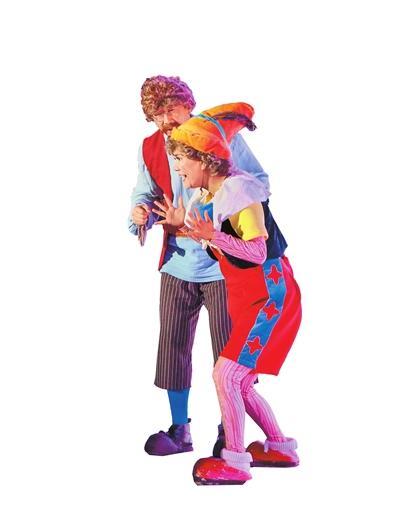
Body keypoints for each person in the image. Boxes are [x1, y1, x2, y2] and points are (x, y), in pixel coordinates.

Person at [128, 77, 268, 456]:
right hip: (177, 264)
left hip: (223, 266)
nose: (164, 121)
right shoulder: (150, 147)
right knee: (173, 349)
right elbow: (146, 191)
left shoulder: (218, 135)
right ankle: (180, 430)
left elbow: (257, 182)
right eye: (156, 115)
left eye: (170, 110)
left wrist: (213, 216)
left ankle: (229, 432)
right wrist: (141, 211)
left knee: (230, 356)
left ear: (187, 105)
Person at [165, 102, 302, 485]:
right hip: (249, 296)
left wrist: (213, 235)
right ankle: (279, 447)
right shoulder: (210, 198)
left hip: (270, 294)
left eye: (182, 159)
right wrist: (184, 227)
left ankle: (235, 461)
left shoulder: (242, 193)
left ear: (205, 159)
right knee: (238, 381)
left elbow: (257, 252)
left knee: (225, 375)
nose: (177, 167)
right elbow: (217, 241)